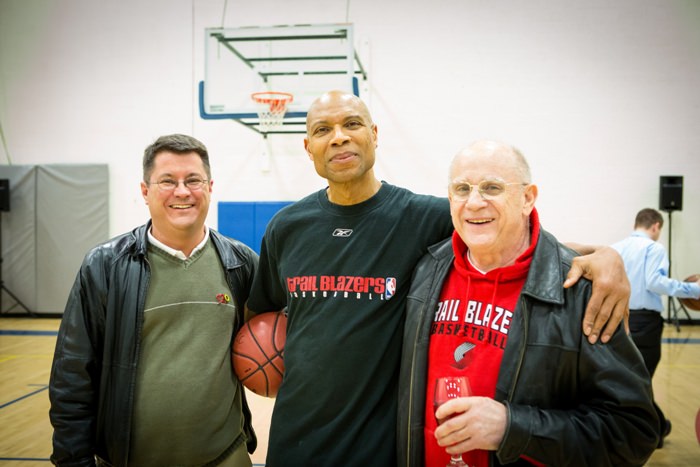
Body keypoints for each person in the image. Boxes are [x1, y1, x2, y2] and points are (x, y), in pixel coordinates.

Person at [246, 91, 631, 467]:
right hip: (291, 440)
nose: (339, 136)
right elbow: (261, 317)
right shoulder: (286, 227)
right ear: (308, 146)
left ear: (374, 134)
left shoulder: (424, 218)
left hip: (379, 446)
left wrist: (603, 257)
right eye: (322, 130)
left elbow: (508, 237)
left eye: (352, 124)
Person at [398, 140, 659, 467]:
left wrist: (514, 428)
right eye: (462, 189)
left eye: (492, 187)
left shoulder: (579, 291)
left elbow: (633, 431)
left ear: (527, 198)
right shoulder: (426, 271)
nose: (475, 202)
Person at [48, 134, 259, 466]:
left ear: (210, 187)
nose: (182, 191)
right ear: (145, 191)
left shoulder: (242, 263)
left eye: (193, 180)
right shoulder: (105, 266)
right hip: (130, 459)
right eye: (167, 181)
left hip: (226, 455)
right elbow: (72, 375)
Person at [612, 207, 700, 448]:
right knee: (641, 380)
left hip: (618, 318)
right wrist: (694, 289)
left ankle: (658, 427)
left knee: (629, 377)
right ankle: (654, 430)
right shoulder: (654, 248)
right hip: (645, 323)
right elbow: (654, 282)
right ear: (655, 226)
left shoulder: (615, 249)